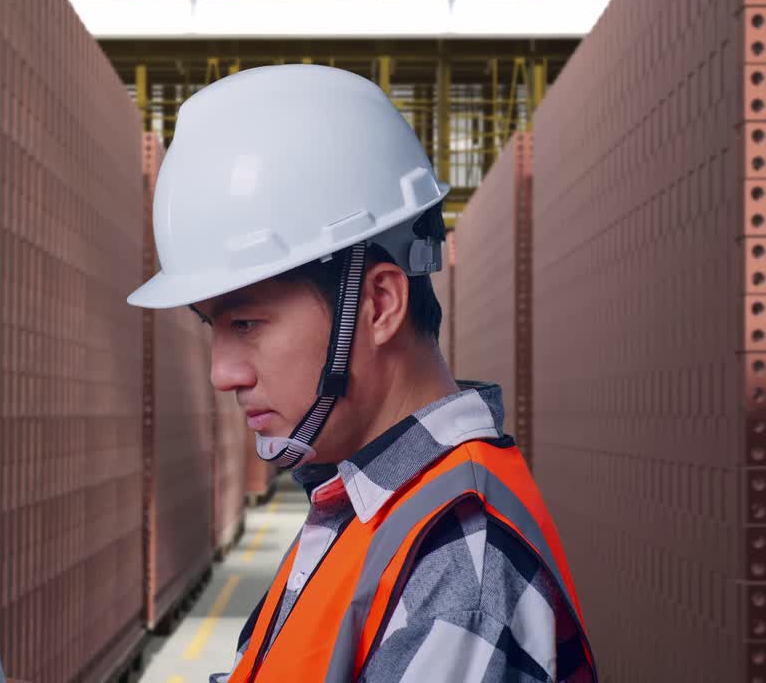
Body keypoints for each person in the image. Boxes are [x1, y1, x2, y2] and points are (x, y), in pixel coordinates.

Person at [126, 64, 597, 683]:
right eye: (212, 327)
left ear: (378, 304)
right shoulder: (369, 506)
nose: (223, 374)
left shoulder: (456, 559)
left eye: (246, 324)